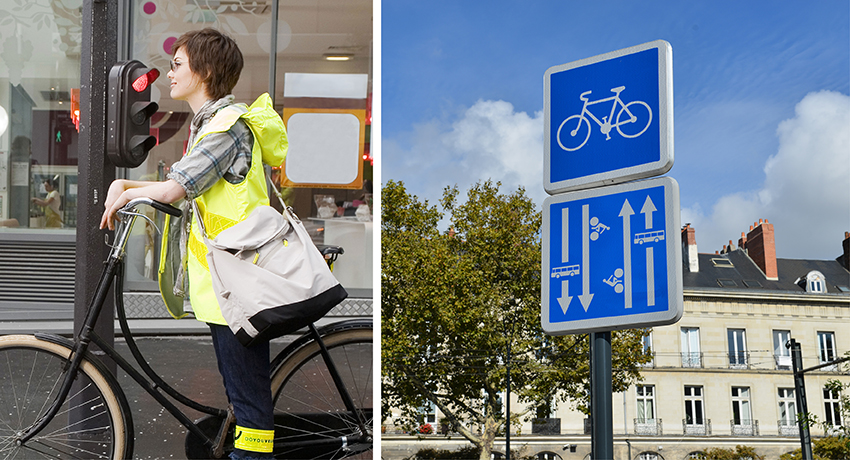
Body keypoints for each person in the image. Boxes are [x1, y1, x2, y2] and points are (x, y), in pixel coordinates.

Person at [100, 28, 286, 460]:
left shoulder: (226, 128)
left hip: (238, 284)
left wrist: (126, 191)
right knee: (241, 395)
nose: (169, 74)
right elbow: (180, 182)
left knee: (250, 408)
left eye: (177, 64)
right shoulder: (208, 126)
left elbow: (173, 190)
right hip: (227, 282)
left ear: (204, 71)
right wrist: (123, 185)